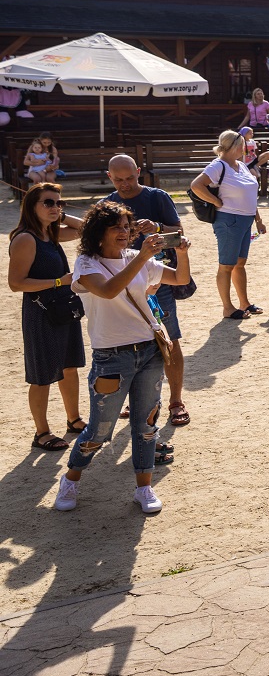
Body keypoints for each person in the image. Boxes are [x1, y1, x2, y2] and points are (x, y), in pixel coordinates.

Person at [53, 200, 190, 514]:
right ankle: (70, 479)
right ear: (98, 232)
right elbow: (108, 290)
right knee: (100, 429)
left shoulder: (134, 257)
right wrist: (142, 257)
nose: (124, 232)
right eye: (116, 226)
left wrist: (182, 253)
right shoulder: (87, 263)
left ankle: (144, 488)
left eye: (127, 226)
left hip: (149, 351)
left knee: (146, 425)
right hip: (111, 356)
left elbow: (180, 279)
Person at [103, 156, 191, 426]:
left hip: (158, 281)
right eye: (119, 180)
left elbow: (179, 234)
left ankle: (176, 401)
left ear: (139, 172)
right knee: (131, 344)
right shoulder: (107, 205)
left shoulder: (157, 197)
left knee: (170, 338)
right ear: (109, 177)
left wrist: (158, 228)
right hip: (124, 284)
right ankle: (138, 400)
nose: (125, 184)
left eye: (130, 178)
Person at [9, 183, 86, 452]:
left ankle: (73, 419)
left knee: (69, 366)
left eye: (59, 202)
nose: (56, 207)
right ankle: (41, 432)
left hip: (63, 308)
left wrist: (59, 215)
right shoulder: (26, 239)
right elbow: (16, 283)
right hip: (41, 313)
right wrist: (58, 281)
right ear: (32, 207)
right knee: (41, 375)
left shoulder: (50, 233)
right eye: (49, 203)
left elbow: (85, 229)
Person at [191, 130, 266, 320]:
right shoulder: (218, 165)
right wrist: (215, 201)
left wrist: (258, 219)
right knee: (226, 265)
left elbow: (250, 195)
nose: (244, 149)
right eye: (242, 145)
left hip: (245, 220)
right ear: (233, 146)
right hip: (228, 220)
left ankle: (244, 303)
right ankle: (228, 308)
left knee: (240, 263)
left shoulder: (241, 165)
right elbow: (196, 185)